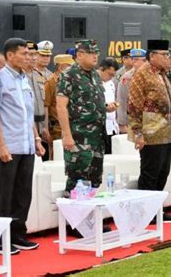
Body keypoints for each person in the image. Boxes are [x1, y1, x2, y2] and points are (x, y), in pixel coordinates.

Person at [0, 38, 45, 255]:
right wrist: (1, 145)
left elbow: (27, 114)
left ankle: (18, 233)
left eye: (29, 54)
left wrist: (36, 139)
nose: (28, 57)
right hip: (8, 144)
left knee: (23, 192)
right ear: (10, 55)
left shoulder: (24, 79)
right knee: (6, 192)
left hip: (26, 143)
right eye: (23, 53)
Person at [57, 40, 117, 196]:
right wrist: (67, 135)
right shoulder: (68, 75)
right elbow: (61, 106)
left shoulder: (95, 76)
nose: (95, 56)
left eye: (96, 53)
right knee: (77, 180)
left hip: (97, 136)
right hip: (78, 136)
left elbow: (90, 102)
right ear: (80, 55)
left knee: (95, 179)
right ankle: (73, 218)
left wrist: (105, 107)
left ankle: (92, 218)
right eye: (91, 53)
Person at [128, 39, 171, 221]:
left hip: (166, 131)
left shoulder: (164, 74)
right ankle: (145, 212)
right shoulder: (142, 74)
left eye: (168, 55)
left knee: (163, 171)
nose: (167, 58)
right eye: (164, 55)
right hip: (150, 132)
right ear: (152, 56)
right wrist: (138, 133)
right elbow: (134, 104)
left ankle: (156, 209)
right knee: (150, 172)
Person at [116, 49, 147, 134]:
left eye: (138, 60)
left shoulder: (152, 75)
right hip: (133, 120)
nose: (134, 62)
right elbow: (121, 100)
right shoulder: (127, 78)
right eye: (134, 59)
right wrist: (122, 123)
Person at [44, 54, 73, 144]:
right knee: (57, 155)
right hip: (56, 129)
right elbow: (45, 106)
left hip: (69, 126)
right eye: (69, 66)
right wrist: (46, 128)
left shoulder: (68, 82)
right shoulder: (51, 83)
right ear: (60, 67)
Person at [97, 58, 120, 154]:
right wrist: (105, 107)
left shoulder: (111, 83)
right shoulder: (92, 82)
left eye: (113, 75)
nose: (111, 77)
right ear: (101, 69)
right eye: (110, 74)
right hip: (99, 126)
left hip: (112, 126)